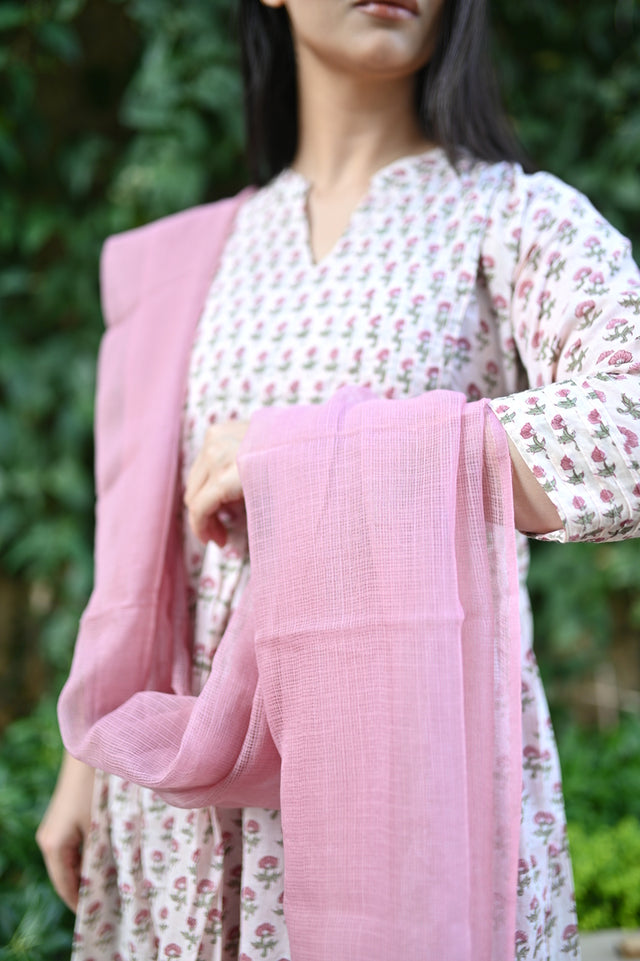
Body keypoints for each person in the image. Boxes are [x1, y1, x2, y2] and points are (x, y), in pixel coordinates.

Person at [37, 0, 640, 958]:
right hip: (185, 811)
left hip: (409, 797)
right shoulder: (194, 258)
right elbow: (143, 545)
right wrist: (85, 763)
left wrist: (309, 454)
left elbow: (629, 421)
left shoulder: (510, 219)